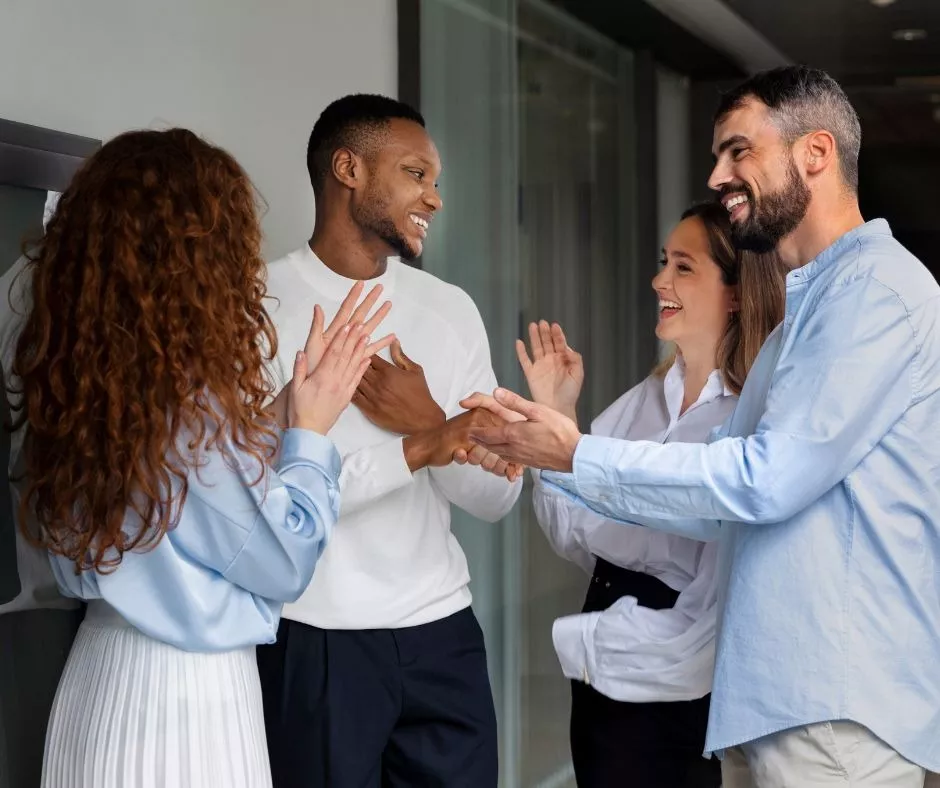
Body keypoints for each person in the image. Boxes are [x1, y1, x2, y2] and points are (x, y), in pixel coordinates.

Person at [465, 66, 940, 787]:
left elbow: (763, 481)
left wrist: (575, 451)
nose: (719, 175)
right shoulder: (803, 319)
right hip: (775, 706)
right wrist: (558, 447)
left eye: (738, 151)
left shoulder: (875, 291)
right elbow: (713, 503)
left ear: (815, 153)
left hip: (834, 713)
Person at [5, 127, 393, 788]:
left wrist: (285, 414)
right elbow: (280, 556)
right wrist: (313, 434)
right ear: (198, 262)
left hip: (94, 686)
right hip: (183, 704)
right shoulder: (187, 409)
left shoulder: (71, 388)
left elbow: (188, 497)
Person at [257, 94, 522, 788]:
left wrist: (428, 422)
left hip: (442, 635)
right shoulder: (258, 304)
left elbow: (494, 500)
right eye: (415, 174)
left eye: (433, 180)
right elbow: (257, 498)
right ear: (348, 168)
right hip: (311, 639)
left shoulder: (450, 310)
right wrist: (421, 447)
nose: (433, 198)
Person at [519, 202, 785, 787]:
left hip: (674, 687)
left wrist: (597, 642)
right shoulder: (645, 397)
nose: (659, 280)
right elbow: (578, 536)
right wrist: (558, 414)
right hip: (604, 678)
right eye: (665, 262)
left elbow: (712, 613)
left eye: (684, 268)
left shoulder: (751, 419)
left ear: (737, 293)